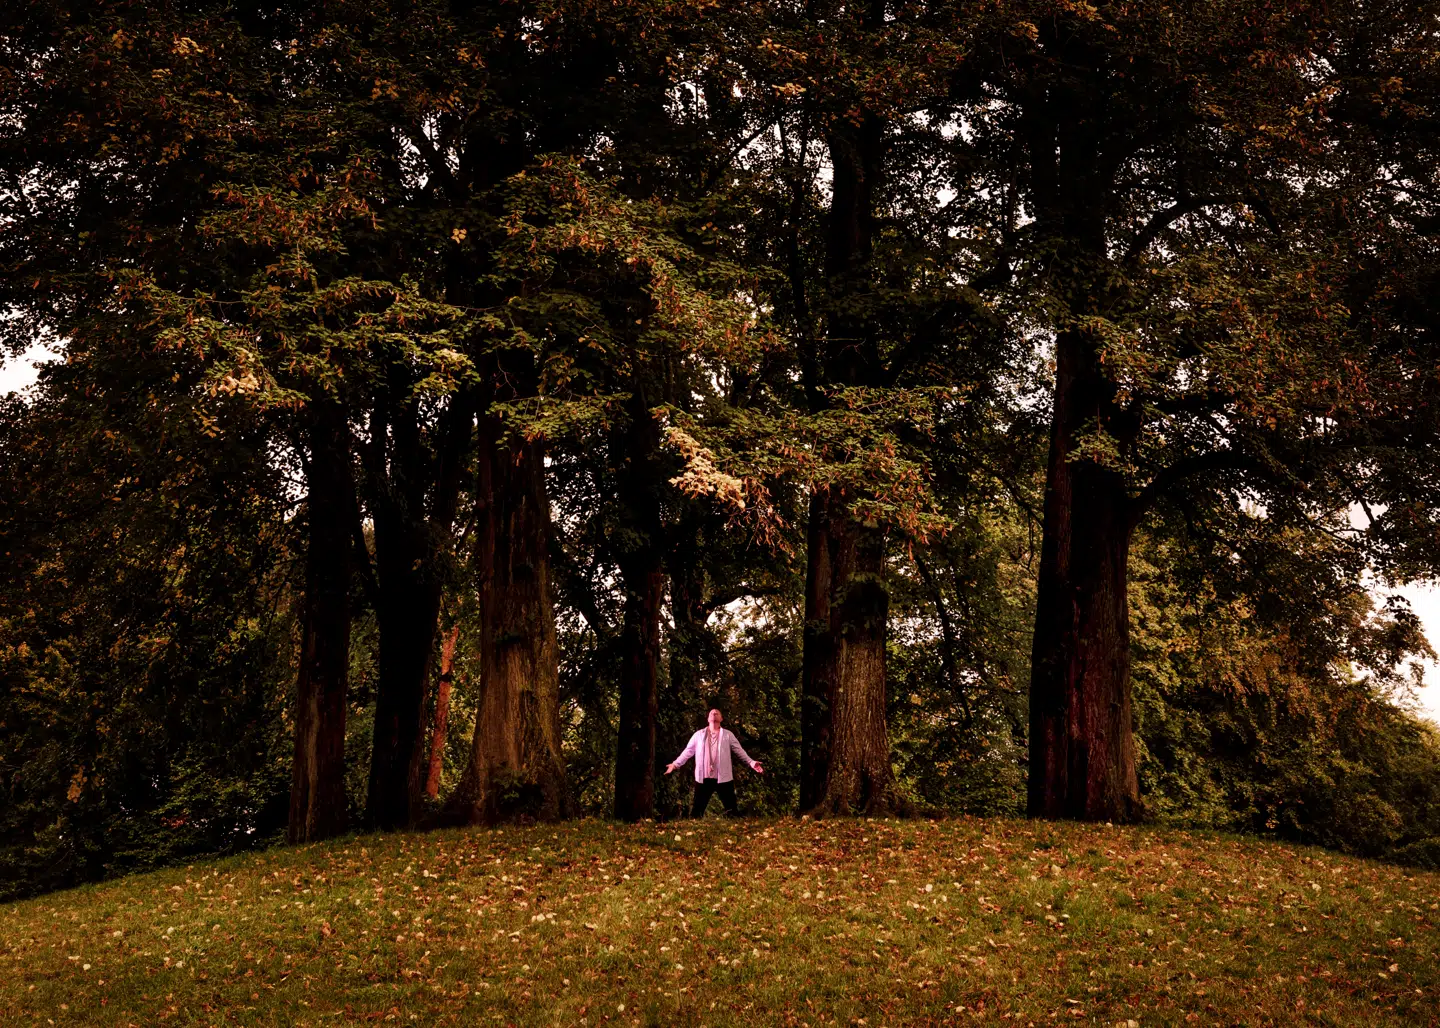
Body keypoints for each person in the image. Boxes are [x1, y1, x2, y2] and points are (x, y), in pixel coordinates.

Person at [665, 708, 763, 817]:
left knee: (732, 811)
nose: (714, 713)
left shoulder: (728, 735)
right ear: (708, 719)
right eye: (712, 713)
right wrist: (675, 764)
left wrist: (751, 762)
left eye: (717, 713)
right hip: (704, 778)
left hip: (723, 778)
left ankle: (738, 829)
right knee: (696, 812)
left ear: (721, 718)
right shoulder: (698, 735)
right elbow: (688, 751)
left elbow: (739, 750)